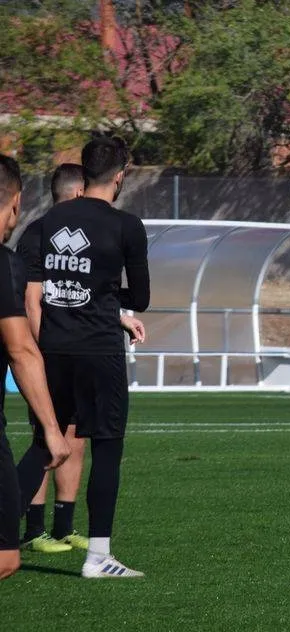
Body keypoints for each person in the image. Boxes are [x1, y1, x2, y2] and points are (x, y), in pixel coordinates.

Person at [15, 136, 150, 578]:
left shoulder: (47, 221)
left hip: (53, 349)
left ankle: (1, 534)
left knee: (45, 445)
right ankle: (98, 557)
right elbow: (142, 298)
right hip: (98, 351)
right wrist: (109, 302)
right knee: (107, 449)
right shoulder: (127, 225)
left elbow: (38, 290)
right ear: (120, 175)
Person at [0, 155, 70, 580]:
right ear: (15, 203)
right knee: (5, 556)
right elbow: (21, 350)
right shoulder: (4, 264)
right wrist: (50, 427)